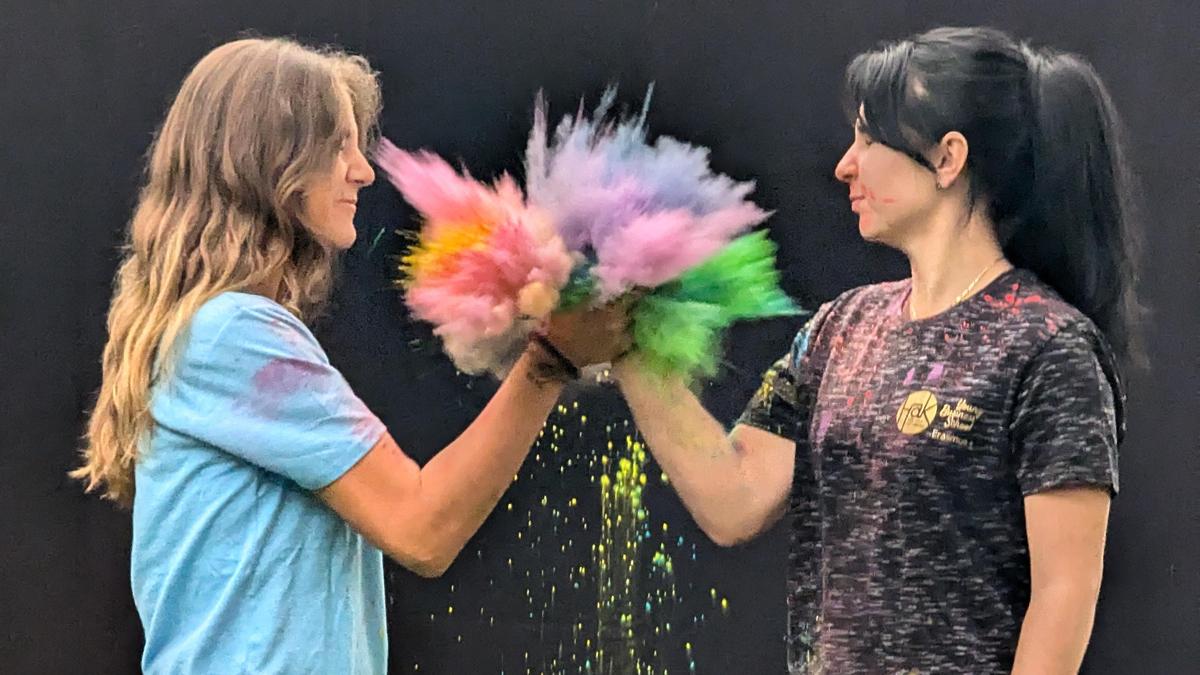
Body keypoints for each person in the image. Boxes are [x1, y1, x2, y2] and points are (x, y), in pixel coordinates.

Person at [72, 37, 628, 674]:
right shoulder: (234, 332)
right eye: (337, 145)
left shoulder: (212, 331)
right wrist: (550, 360)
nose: (362, 170)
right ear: (268, 160)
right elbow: (422, 528)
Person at [613, 26, 1138, 674]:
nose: (845, 163)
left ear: (948, 158)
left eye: (868, 136)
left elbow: (1064, 594)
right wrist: (626, 344)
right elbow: (735, 496)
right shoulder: (841, 328)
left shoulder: (1050, 349)